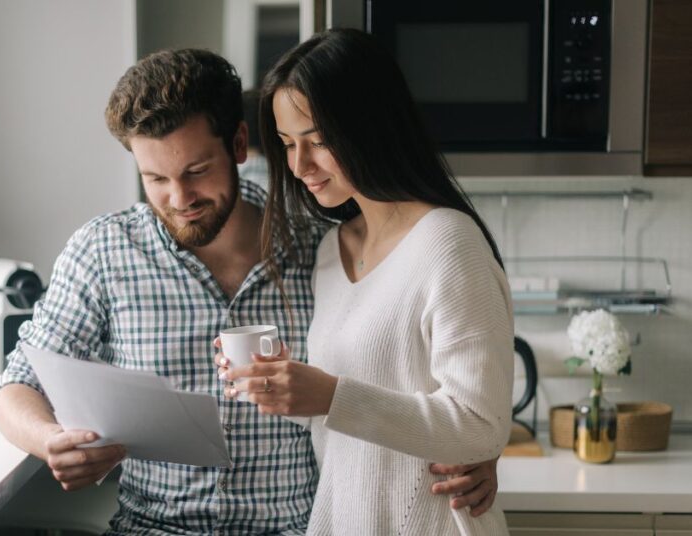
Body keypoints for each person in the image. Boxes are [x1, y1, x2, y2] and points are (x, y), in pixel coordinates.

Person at [0, 47, 500, 535]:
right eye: (154, 178)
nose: (179, 198)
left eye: (196, 172)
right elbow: (19, 382)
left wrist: (480, 445)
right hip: (154, 529)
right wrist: (50, 440)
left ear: (238, 144)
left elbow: (420, 376)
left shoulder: (318, 245)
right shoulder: (104, 251)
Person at [220, 29, 515, 534]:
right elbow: (351, 422)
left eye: (317, 142)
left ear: (368, 127)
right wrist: (283, 388)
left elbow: (481, 426)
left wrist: (331, 395)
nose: (299, 165)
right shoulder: (331, 251)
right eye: (289, 145)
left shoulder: (448, 242)